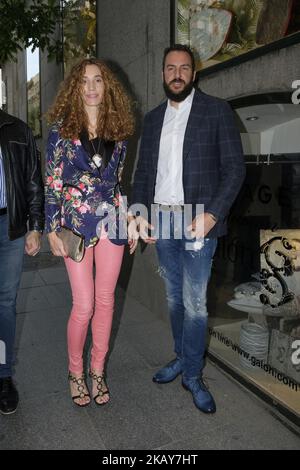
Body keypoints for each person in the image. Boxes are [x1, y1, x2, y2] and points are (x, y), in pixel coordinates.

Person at [132, 44, 245, 413]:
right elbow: (143, 174)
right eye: (170, 68)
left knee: (196, 305)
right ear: (163, 73)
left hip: (199, 220)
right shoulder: (151, 119)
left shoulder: (216, 111)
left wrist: (213, 215)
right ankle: (181, 356)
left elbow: (234, 169)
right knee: (174, 298)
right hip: (163, 220)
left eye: (184, 68)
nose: (177, 74)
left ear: (194, 74)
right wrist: (138, 213)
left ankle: (193, 374)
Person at [45, 58, 136, 407]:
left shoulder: (120, 131)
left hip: (112, 222)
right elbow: (52, 183)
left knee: (106, 300)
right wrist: (52, 227)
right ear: (75, 88)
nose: (92, 87)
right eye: (84, 81)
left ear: (107, 86)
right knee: (83, 305)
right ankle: (75, 371)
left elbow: (117, 183)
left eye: (98, 80)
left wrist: (127, 218)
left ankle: (97, 370)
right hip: (75, 227)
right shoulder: (61, 131)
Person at [0, 109, 44, 415]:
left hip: (10, 228)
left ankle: (3, 377)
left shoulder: (17, 129)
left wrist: (35, 227)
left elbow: (32, 179)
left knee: (5, 304)